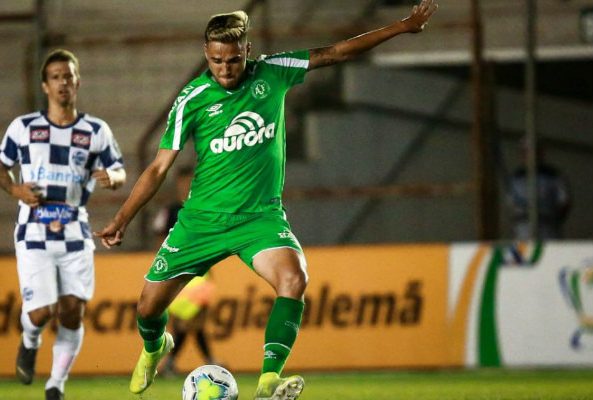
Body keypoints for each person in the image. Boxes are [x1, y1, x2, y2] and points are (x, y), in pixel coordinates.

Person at [94, 2, 437, 399]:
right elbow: (157, 169)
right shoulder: (192, 99)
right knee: (147, 309)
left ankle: (269, 380)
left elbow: (336, 52)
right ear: (207, 55)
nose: (226, 69)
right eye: (218, 60)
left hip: (260, 218)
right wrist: (122, 218)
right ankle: (156, 348)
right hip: (201, 221)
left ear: (248, 51)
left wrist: (402, 26)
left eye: (234, 60)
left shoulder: (273, 71)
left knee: (295, 279)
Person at [0, 49, 126, 400]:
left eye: (68, 76)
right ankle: (29, 339)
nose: (63, 82)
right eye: (55, 77)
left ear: (77, 82)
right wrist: (15, 188)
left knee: (71, 312)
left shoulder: (96, 130)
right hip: (33, 230)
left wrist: (113, 177)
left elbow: (121, 170)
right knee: (40, 312)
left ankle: (56, 385)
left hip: (74, 230)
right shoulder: (23, 128)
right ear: (45, 86)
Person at [151, 166, 220, 375]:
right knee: (184, 322)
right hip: (177, 272)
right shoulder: (170, 211)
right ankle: (198, 361)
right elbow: (160, 239)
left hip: (200, 273)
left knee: (196, 321)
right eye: (184, 182)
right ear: (178, 185)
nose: (187, 186)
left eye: (191, 182)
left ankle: (173, 364)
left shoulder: (204, 210)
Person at [508, 143, 571, 240]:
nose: (528, 156)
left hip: (547, 227)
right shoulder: (516, 177)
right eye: (525, 152)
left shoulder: (553, 176)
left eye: (533, 152)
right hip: (523, 229)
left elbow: (564, 201)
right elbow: (511, 204)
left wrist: (554, 218)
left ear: (541, 153)